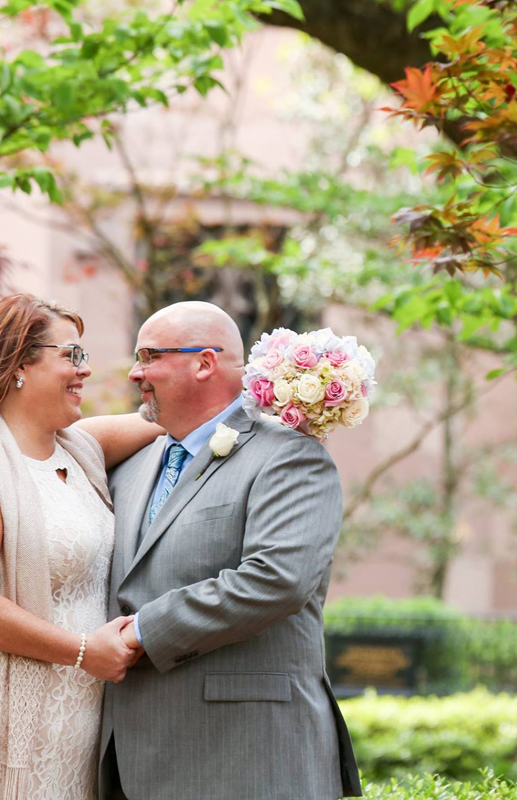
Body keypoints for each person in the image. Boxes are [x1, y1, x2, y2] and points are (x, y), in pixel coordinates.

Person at [99, 301, 362, 800]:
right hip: (133, 759)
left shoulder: (290, 456)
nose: (135, 372)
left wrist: (141, 632)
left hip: (249, 756)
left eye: (149, 355)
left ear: (204, 362)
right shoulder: (129, 467)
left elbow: (276, 579)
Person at [0, 294, 163, 800]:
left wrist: (287, 385)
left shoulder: (82, 446)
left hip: (73, 729)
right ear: (19, 363)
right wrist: (85, 651)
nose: (84, 371)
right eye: (72, 355)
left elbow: (178, 415)